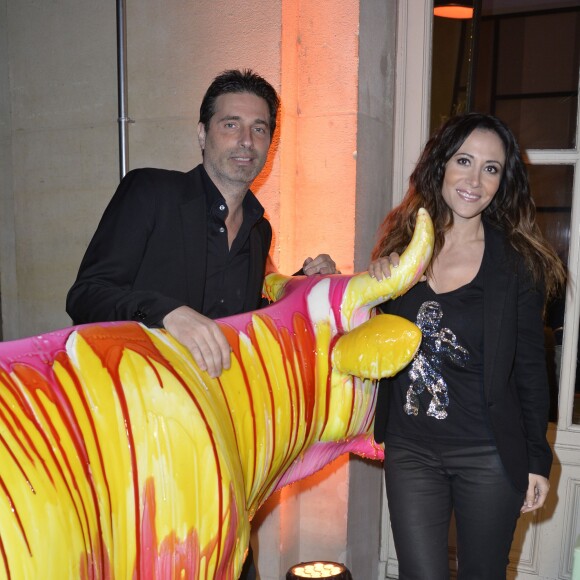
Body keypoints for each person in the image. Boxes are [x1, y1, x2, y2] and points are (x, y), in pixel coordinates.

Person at [66, 68, 337, 579]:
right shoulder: (150, 193)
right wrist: (167, 313)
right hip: (140, 440)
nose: (246, 140)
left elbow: (243, 316)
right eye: (231, 124)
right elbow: (86, 294)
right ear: (202, 134)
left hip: (218, 430)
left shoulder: (259, 229)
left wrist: (303, 282)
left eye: (260, 129)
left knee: (230, 563)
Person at [368, 113, 566, 579]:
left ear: (503, 181)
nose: (475, 180)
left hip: (488, 455)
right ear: (441, 166)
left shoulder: (516, 264)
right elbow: (372, 344)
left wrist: (537, 460)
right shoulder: (403, 248)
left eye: (491, 168)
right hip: (411, 450)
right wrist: (372, 287)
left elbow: (532, 374)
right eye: (464, 161)